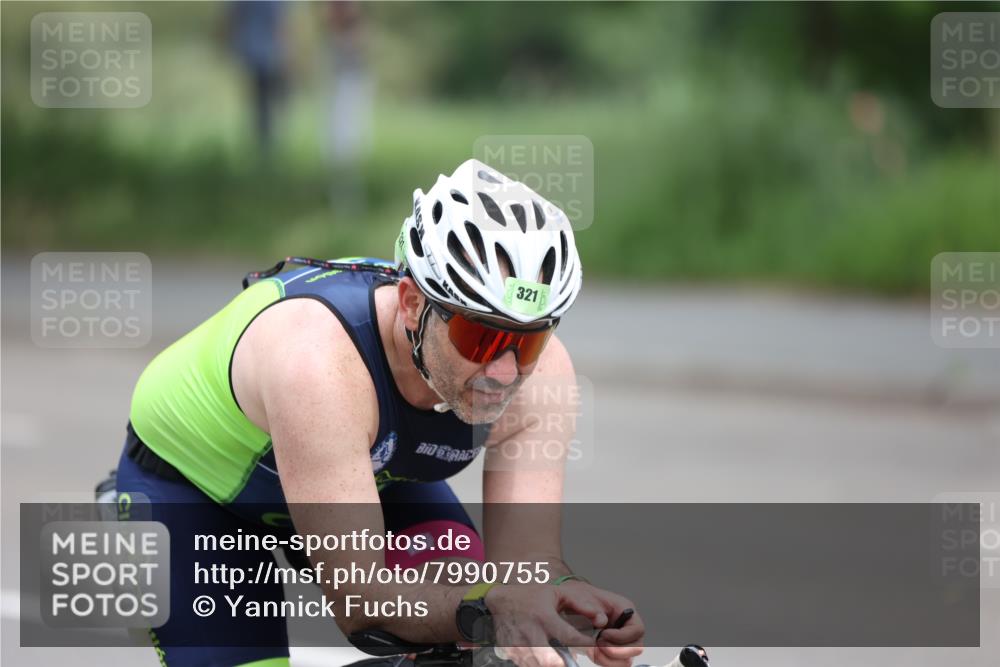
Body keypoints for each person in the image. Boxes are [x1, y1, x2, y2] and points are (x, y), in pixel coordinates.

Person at [111, 159, 644, 667]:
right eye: (480, 337)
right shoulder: (317, 363)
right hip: (196, 494)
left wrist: (567, 601)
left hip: (365, 472)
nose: (504, 372)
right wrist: (490, 610)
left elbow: (526, 572)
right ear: (412, 304)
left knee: (477, 614)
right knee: (478, 610)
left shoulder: (543, 376)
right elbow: (362, 603)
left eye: (527, 344)